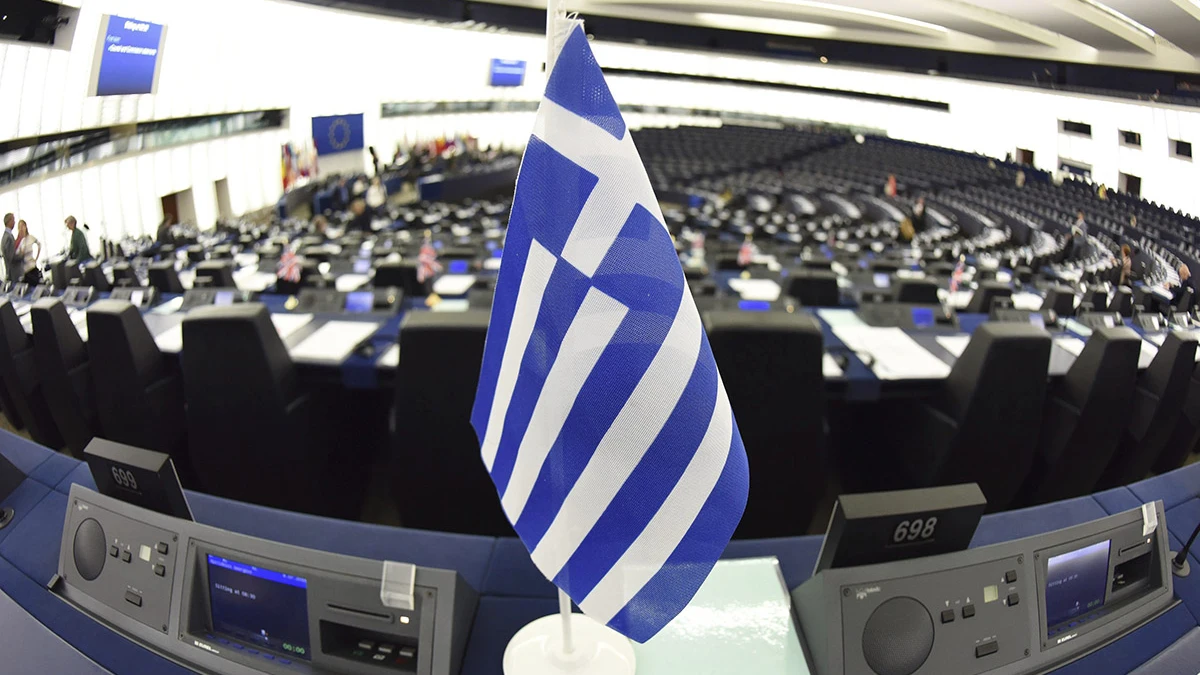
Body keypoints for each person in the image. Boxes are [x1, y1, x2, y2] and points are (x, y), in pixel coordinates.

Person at [14, 220, 41, 284]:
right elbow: (16, 253)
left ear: (25, 227)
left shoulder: (31, 237)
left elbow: (39, 244)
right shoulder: (19, 240)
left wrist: (36, 258)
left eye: (22, 226)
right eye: (19, 227)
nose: (21, 228)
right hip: (24, 270)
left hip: (32, 266)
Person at [1, 213, 17, 284]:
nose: (14, 222)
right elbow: (11, 257)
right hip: (12, 273)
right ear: (9, 221)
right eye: (13, 220)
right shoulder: (8, 237)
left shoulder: (6, 236)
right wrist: (22, 255)